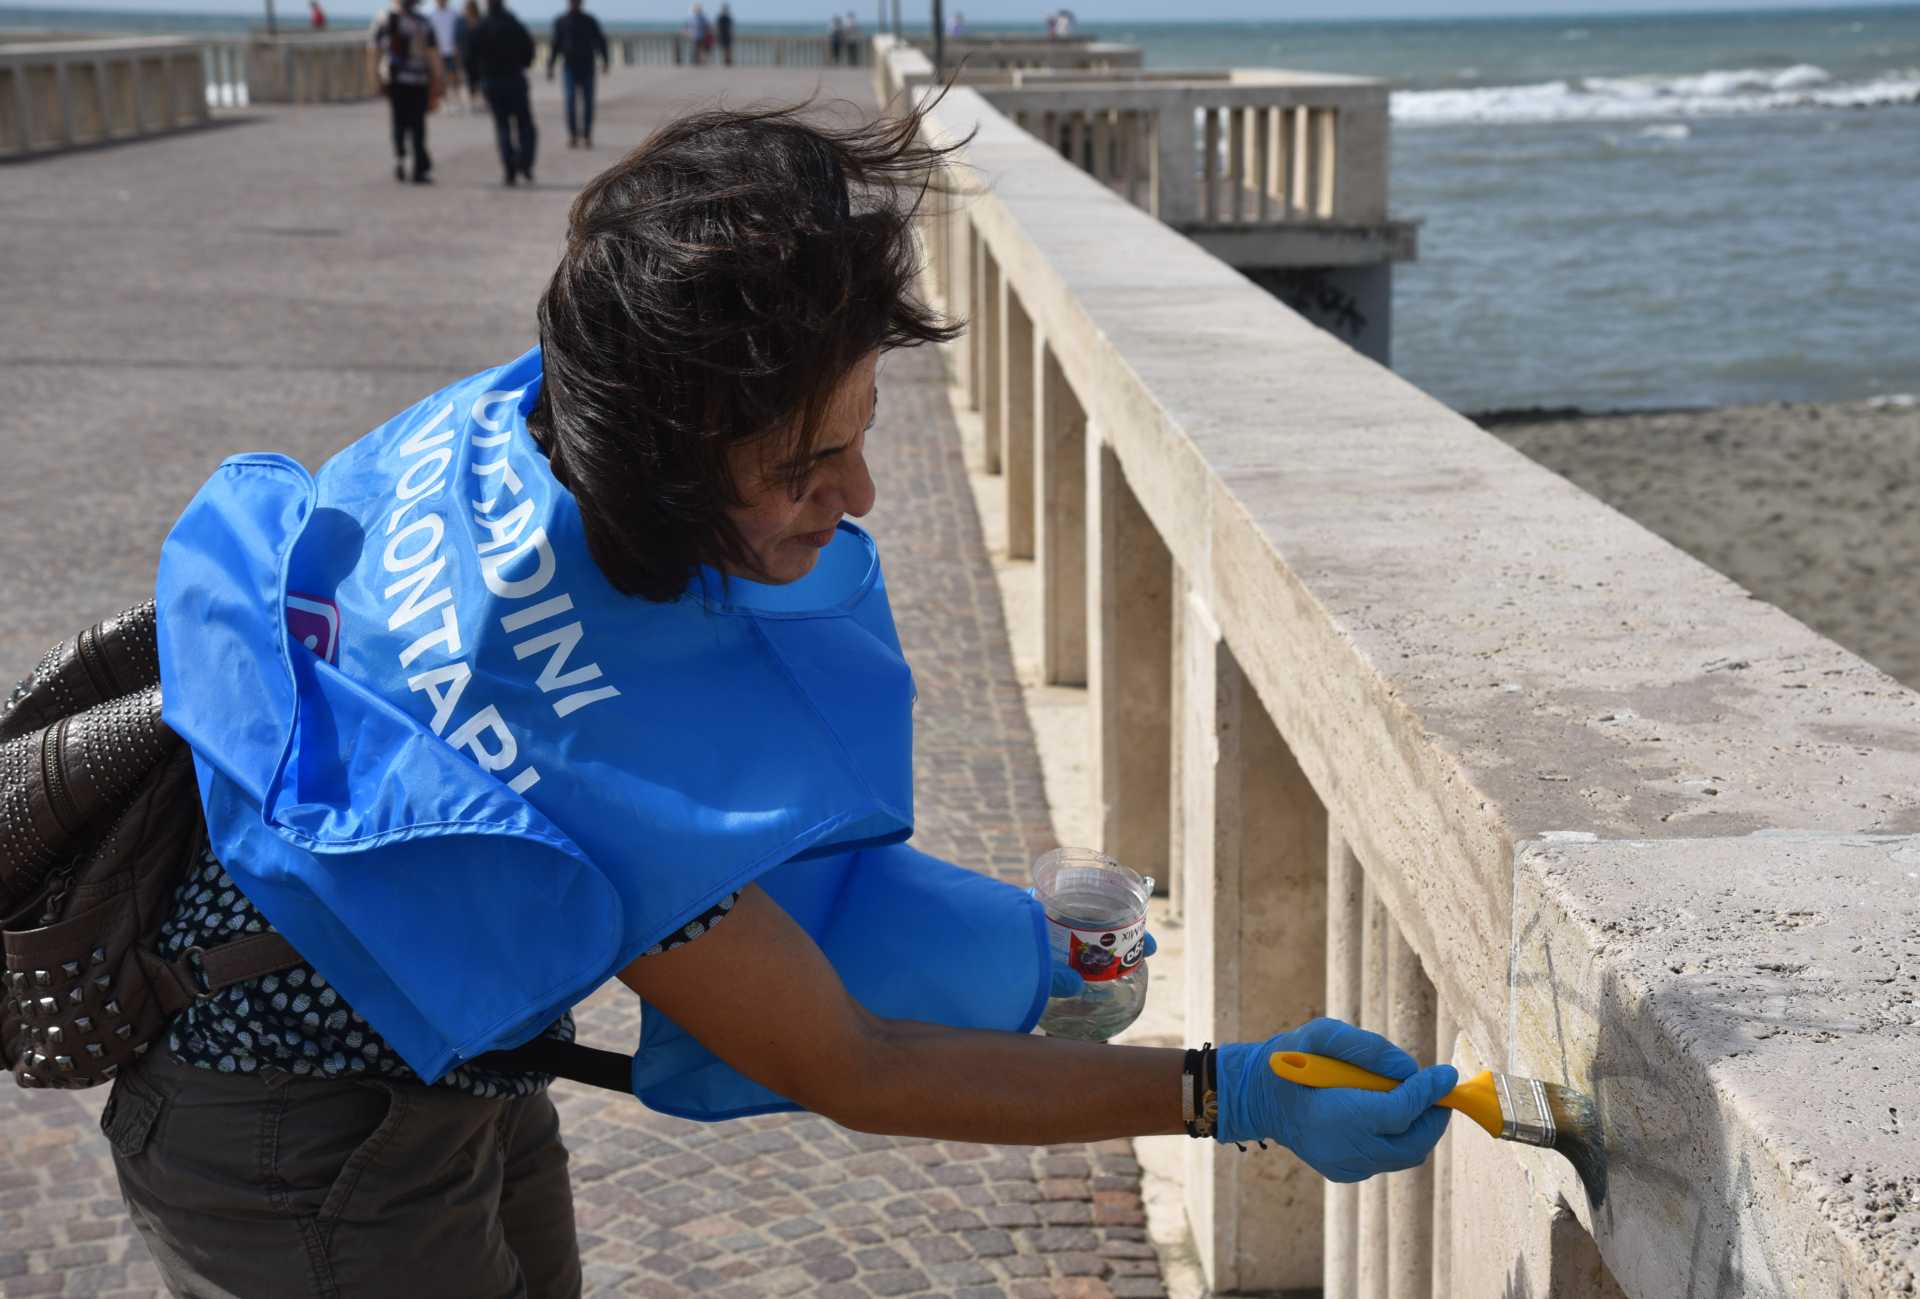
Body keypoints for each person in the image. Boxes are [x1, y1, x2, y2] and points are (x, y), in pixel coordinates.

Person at [106, 104, 1456, 1296]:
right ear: (667, 462)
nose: (861, 494)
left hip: (425, 1070)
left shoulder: (519, 424)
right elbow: (853, 1059)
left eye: (862, 432)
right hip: (296, 1137)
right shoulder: (596, 752)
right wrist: (1227, 1089)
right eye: (811, 459)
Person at [367, 0, 443, 183]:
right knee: (418, 125)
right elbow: (433, 55)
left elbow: (373, 51)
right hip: (418, 81)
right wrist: (438, 81)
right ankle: (418, 168)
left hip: (395, 80)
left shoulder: (384, 20)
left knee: (398, 122)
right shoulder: (423, 22)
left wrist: (374, 79)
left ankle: (400, 159)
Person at [471, 0, 537, 183]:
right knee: (525, 125)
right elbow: (529, 49)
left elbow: (471, 54)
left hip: (492, 82)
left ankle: (509, 168)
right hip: (514, 79)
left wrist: (474, 81)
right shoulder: (514, 24)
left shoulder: (481, 27)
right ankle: (525, 162)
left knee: (502, 126)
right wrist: (524, 63)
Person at [547, 0, 609, 149]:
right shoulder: (561, 21)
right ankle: (573, 135)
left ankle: (587, 135)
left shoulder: (589, 20)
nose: (574, 4)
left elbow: (601, 41)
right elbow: (555, 44)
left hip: (587, 66)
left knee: (588, 102)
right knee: (570, 101)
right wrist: (550, 65)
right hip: (569, 67)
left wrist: (606, 60)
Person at [427, 0, 462, 108]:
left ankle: (455, 99)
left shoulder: (454, 13)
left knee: (454, 76)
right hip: (437, 51)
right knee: (440, 77)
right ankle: (444, 101)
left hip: (452, 50)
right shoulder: (430, 13)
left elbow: (459, 32)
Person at [458, 0, 485, 110]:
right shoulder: (461, 22)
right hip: (466, 56)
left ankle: (481, 102)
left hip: (479, 57)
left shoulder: (481, 21)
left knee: (480, 80)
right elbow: (458, 40)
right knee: (469, 81)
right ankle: (473, 103)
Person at [715, 0, 734, 65]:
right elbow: (718, 28)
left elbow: (730, 27)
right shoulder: (722, 17)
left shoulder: (727, 17)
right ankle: (726, 61)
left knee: (727, 49)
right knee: (726, 49)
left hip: (726, 36)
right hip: (723, 35)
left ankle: (727, 61)